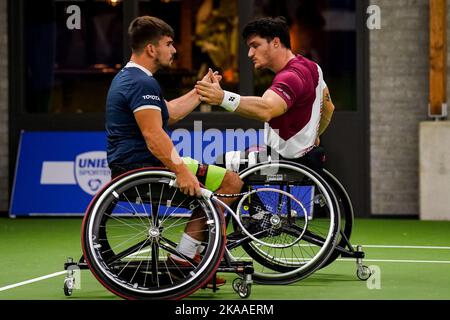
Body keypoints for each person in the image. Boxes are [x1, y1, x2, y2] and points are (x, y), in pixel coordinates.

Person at [106, 16, 243, 286]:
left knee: (222, 181)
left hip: (134, 165)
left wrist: (200, 90)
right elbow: (153, 135)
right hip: (144, 168)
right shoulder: (141, 84)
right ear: (151, 49)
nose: (174, 50)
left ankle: (193, 258)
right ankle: (185, 259)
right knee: (231, 182)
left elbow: (170, 114)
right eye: (169, 44)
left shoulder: (131, 78)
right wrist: (181, 171)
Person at [195, 16, 335, 171]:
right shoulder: (312, 67)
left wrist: (222, 97)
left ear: (276, 42)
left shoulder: (290, 77)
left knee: (219, 165)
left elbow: (266, 109)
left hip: (280, 160)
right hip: (298, 157)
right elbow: (329, 108)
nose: (249, 53)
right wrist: (314, 136)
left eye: (255, 45)